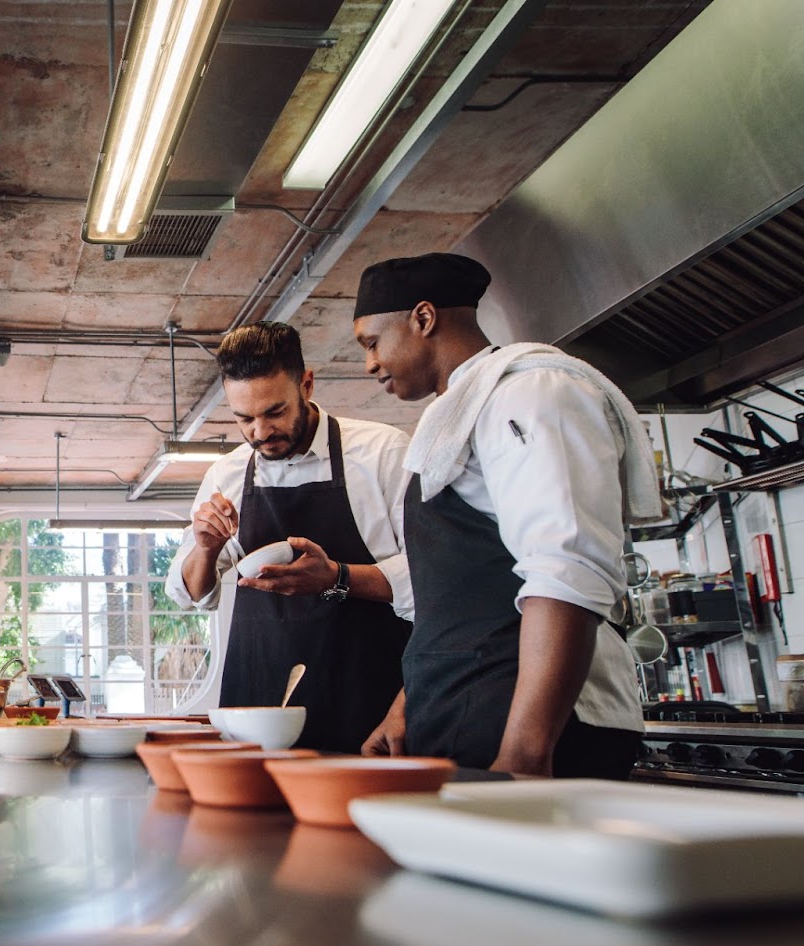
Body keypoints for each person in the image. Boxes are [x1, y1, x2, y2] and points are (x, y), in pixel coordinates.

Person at [352, 252, 660, 778]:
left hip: (537, 727)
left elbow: (565, 567)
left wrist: (525, 750)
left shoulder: (533, 392)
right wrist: (410, 707)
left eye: (372, 342)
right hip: (467, 714)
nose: (369, 364)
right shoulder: (457, 418)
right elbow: (459, 591)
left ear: (423, 319)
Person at [164, 321, 414, 753]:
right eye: (244, 418)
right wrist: (206, 549)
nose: (259, 433)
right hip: (257, 708)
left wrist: (337, 577)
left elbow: (434, 579)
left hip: (366, 704)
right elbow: (190, 594)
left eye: (274, 412)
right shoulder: (226, 473)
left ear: (307, 384)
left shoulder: (382, 454)